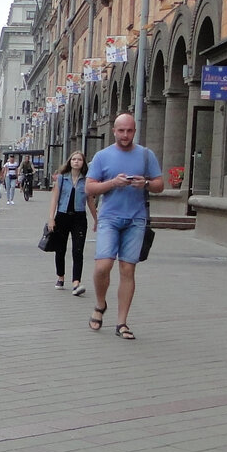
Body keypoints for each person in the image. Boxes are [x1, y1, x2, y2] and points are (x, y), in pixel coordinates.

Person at [85, 112, 164, 340]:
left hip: (136, 219)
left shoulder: (146, 156)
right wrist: (112, 183)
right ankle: (100, 304)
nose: (125, 135)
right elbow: (90, 189)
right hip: (109, 217)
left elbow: (159, 185)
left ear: (135, 131)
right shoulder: (102, 156)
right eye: (121, 131)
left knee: (127, 270)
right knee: (103, 266)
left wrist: (146, 183)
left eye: (129, 131)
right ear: (114, 131)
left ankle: (122, 323)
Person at [48, 151, 97, 296]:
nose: (76, 162)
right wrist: (51, 218)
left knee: (78, 250)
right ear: (70, 162)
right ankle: (60, 276)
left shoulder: (87, 180)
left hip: (79, 218)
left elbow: (90, 201)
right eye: (74, 159)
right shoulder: (62, 178)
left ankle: (76, 282)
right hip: (62, 216)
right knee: (60, 249)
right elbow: (54, 198)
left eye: (79, 160)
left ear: (83, 163)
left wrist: (96, 219)